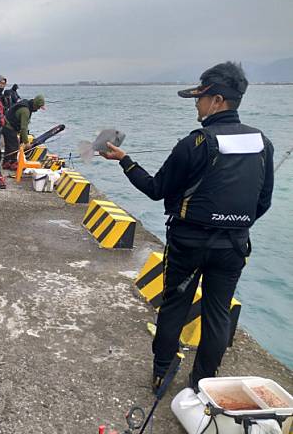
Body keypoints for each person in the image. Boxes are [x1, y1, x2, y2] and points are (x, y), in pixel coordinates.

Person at [100, 62, 274, 391]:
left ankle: (161, 374)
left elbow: (155, 190)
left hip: (188, 244)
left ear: (218, 100)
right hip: (234, 246)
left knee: (175, 306)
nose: (196, 104)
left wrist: (124, 160)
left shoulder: (194, 143)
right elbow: (262, 203)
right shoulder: (263, 143)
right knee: (217, 314)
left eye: (200, 98)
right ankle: (203, 387)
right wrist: (233, 227)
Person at [1, 95, 45, 170]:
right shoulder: (25, 111)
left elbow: (22, 128)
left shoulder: (27, 104)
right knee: (14, 147)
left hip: (7, 125)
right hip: (8, 127)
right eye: (38, 107)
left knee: (10, 146)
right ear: (35, 105)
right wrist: (26, 143)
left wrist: (22, 141)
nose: (38, 110)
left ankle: (6, 162)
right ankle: (12, 163)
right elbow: (24, 128)